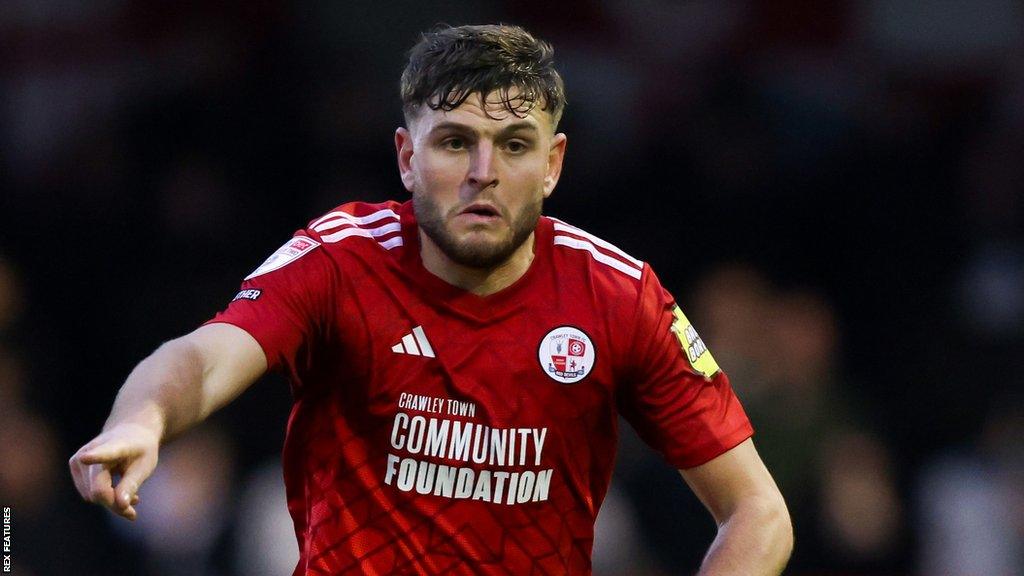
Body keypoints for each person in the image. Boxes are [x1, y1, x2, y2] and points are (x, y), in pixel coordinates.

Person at [69, 24, 792, 575]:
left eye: (514, 145)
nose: (484, 172)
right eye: (454, 142)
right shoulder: (341, 259)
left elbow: (758, 510)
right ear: (408, 158)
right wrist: (143, 417)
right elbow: (203, 355)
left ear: (553, 164)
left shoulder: (616, 293)